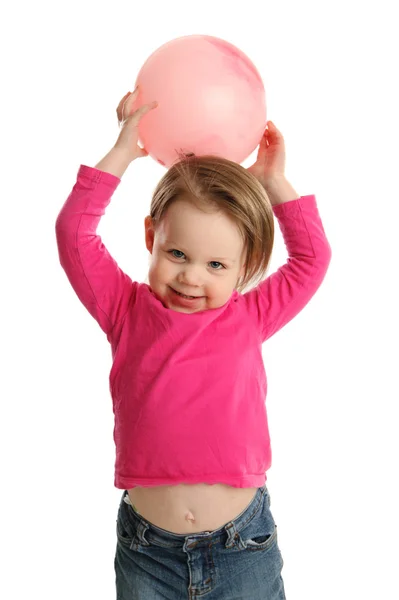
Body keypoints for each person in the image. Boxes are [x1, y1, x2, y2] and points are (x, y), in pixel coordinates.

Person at [55, 87, 332, 599]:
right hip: (147, 552)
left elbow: (312, 260)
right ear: (150, 236)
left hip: (242, 547)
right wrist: (122, 153)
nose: (191, 277)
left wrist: (275, 183)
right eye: (177, 252)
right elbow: (75, 233)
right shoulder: (124, 309)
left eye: (216, 265)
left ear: (244, 268)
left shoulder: (250, 316)